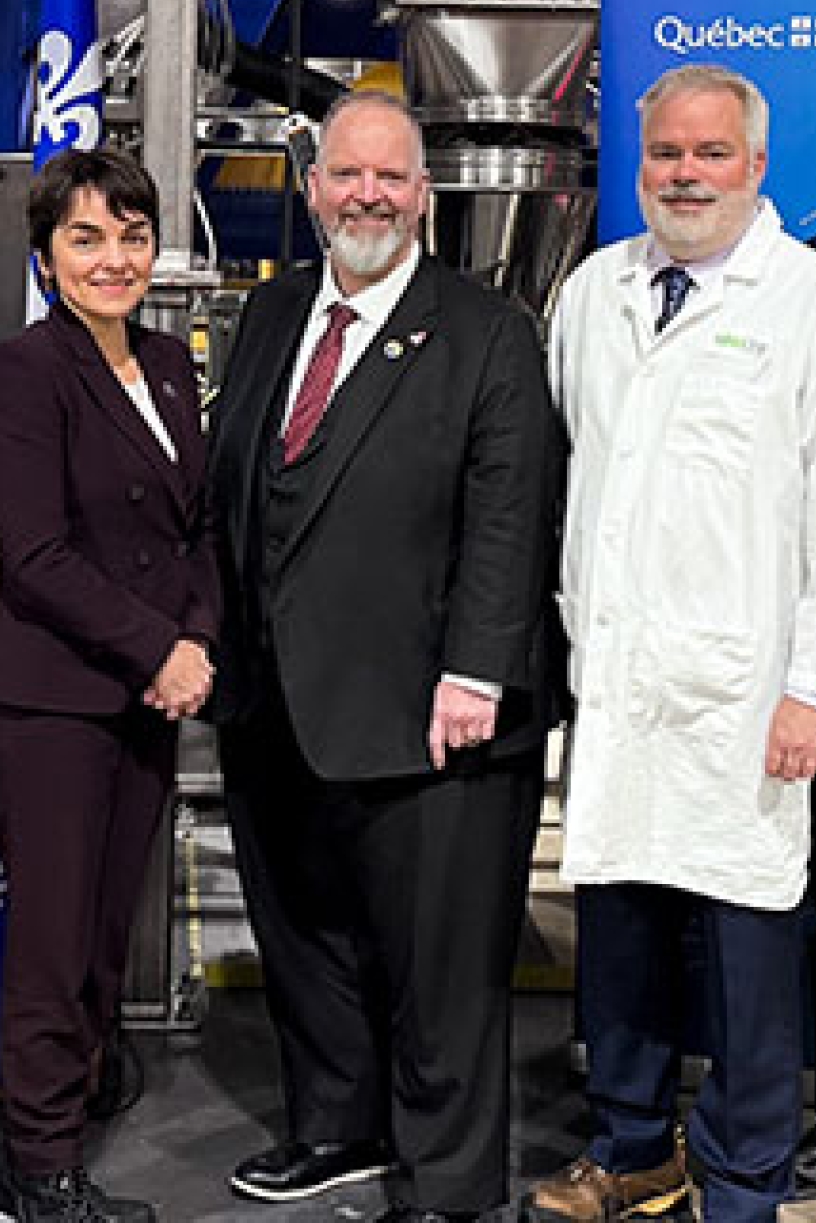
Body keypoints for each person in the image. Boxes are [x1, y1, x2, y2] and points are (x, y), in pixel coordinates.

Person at [208, 90, 561, 1223]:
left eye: (392, 179)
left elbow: (511, 513)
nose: (368, 195)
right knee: (306, 938)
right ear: (312, 188)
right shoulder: (270, 318)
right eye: (348, 175)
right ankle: (337, 1126)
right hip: (276, 700)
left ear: (424, 196)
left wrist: (477, 672)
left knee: (441, 969)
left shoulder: (486, 329)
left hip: (430, 708)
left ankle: (446, 1182)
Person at [526, 63, 816, 1223]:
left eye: (707, 155)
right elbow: (560, 475)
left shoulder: (799, 301)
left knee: (750, 951)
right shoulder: (595, 291)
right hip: (618, 686)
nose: (683, 175)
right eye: (663, 155)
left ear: (756, 165)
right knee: (621, 932)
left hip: (749, 694)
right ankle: (633, 1143)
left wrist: (807, 684)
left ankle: (744, 1175)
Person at [0, 148, 220, 1223]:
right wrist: (159, 648)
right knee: (53, 941)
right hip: (54, 700)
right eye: (86, 237)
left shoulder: (166, 361)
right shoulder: (25, 372)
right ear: (44, 256)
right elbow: (37, 555)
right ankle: (41, 1171)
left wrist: (196, 640)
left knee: (108, 930)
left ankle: (67, 1114)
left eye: (129, 235)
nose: (113, 258)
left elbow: (195, 527)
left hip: (144, 698)